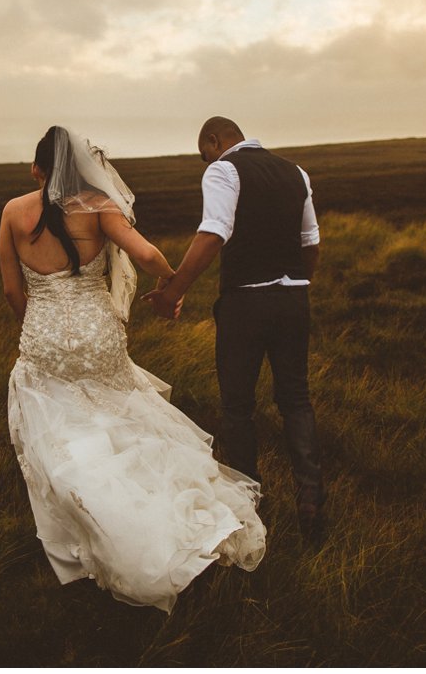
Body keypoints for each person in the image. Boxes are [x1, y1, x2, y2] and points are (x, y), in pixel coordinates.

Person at [0, 126, 265, 613]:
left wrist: (37, 327)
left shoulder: (14, 211)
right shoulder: (98, 205)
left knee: (62, 431)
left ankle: (94, 522)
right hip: (97, 333)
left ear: (38, 169)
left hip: (44, 337)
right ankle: (158, 511)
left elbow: (12, 292)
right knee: (124, 419)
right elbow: (144, 254)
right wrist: (171, 286)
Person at [143, 117, 326, 542]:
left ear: (213, 140)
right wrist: (297, 287)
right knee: (296, 400)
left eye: (202, 152)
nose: (203, 160)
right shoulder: (295, 172)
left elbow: (213, 233)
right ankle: (312, 502)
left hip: (246, 303)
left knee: (237, 406)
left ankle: (250, 508)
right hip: (293, 300)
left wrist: (173, 292)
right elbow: (311, 242)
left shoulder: (223, 169)